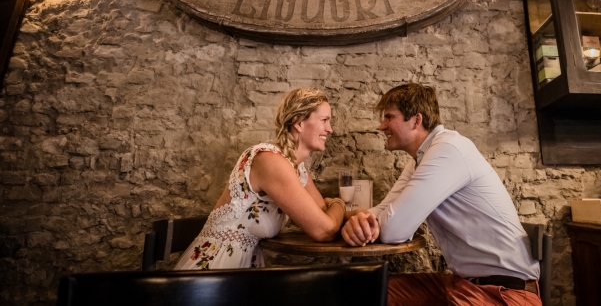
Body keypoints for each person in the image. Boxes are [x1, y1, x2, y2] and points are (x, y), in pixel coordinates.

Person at [341, 83, 542, 306]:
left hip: (504, 293)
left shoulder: (448, 150)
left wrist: (369, 222)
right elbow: (384, 210)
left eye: (389, 117)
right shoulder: (421, 159)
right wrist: (360, 220)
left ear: (416, 120)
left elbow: (393, 230)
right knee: (367, 289)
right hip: (464, 284)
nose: (382, 126)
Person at [175, 88, 345, 270]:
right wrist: (340, 203)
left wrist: (350, 214)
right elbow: (323, 230)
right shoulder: (269, 160)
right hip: (216, 268)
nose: (330, 129)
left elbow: (324, 214)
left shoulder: (299, 170)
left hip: (244, 270)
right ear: (299, 122)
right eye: (324, 120)